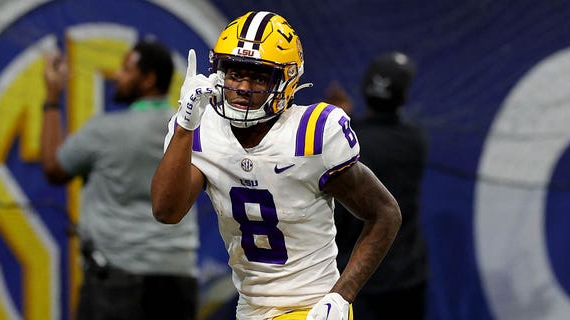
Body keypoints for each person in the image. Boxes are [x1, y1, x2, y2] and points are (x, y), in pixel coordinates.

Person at [151, 11, 401, 320]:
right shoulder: (203, 130)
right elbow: (166, 211)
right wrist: (184, 127)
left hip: (311, 307)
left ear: (286, 81)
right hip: (251, 310)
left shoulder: (311, 134)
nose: (243, 86)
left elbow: (384, 214)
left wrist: (340, 296)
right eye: (234, 73)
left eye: (257, 77)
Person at [40, 40, 199, 320]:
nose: (117, 76)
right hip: (178, 279)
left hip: (116, 284)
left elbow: (54, 168)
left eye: (127, 69)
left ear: (149, 79)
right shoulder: (190, 132)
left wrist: (52, 98)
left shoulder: (104, 131)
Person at [330, 52, 429, 320]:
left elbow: (356, 142)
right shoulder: (414, 141)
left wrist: (336, 121)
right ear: (404, 97)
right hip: (404, 277)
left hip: (353, 277)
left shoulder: (341, 142)